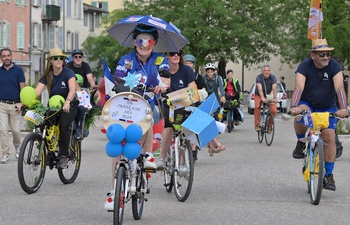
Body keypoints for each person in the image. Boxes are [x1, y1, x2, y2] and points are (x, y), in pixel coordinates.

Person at [104, 24, 170, 211]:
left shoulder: (160, 60)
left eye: (149, 41)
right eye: (140, 41)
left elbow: (165, 79)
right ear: (135, 42)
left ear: (154, 43)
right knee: (118, 146)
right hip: (127, 105)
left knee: (146, 114)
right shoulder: (126, 60)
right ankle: (113, 190)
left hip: (150, 104)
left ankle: (148, 155)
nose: (145, 44)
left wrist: (161, 86)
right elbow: (118, 79)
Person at [290, 39, 347, 191]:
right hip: (308, 103)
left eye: (328, 54)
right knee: (301, 115)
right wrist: (295, 106)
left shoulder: (334, 66)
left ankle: (328, 174)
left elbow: (340, 88)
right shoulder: (304, 66)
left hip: (328, 106)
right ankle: (301, 142)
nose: (326, 57)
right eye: (322, 54)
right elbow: (298, 87)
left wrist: (343, 108)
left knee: (329, 136)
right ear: (313, 54)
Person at [35, 47, 78, 169]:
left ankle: (64, 155)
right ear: (51, 61)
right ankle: (49, 151)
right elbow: (37, 91)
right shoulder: (47, 76)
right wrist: (24, 103)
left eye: (61, 58)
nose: (58, 60)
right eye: (55, 58)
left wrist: (67, 102)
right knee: (43, 123)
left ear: (64, 60)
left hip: (69, 105)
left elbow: (72, 89)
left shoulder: (68, 72)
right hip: (54, 107)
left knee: (64, 126)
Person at [156, 50, 197, 168]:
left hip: (184, 104)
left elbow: (192, 88)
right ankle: (162, 158)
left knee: (191, 124)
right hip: (167, 106)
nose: (176, 55)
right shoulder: (161, 71)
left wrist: (183, 98)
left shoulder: (186, 70)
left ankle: (180, 158)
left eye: (179, 53)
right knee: (169, 125)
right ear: (166, 55)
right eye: (173, 53)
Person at [0, 48, 25, 164]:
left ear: (11, 56)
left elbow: (23, 89)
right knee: (3, 130)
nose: (6, 58)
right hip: (2, 105)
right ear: (1, 58)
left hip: (15, 105)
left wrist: (22, 103)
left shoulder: (18, 71)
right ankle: (5, 154)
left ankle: (18, 147)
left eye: (8, 56)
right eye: (4, 56)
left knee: (15, 130)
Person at [183, 54, 206, 161]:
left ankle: (193, 149)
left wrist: (198, 93)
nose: (188, 65)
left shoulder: (198, 77)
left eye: (190, 63)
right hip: (181, 104)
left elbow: (203, 90)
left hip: (195, 105)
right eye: (186, 63)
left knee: (194, 127)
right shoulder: (180, 75)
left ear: (193, 65)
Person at [203, 63, 227, 156]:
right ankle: (212, 146)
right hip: (205, 102)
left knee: (215, 121)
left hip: (214, 102)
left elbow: (221, 87)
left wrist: (223, 96)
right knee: (208, 123)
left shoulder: (218, 78)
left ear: (214, 72)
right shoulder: (204, 79)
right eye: (208, 72)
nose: (209, 74)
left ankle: (211, 146)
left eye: (211, 72)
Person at [254, 65, 278, 131]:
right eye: (265, 70)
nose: (267, 72)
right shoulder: (259, 78)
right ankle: (257, 125)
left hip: (269, 95)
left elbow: (274, 88)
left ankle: (269, 125)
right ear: (262, 72)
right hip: (259, 95)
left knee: (274, 111)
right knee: (257, 106)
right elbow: (259, 88)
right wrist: (262, 98)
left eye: (268, 70)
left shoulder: (273, 77)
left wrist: (275, 97)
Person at [73, 74, 92, 139]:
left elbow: (87, 103)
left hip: (80, 109)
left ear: (78, 83)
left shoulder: (83, 93)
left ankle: (79, 127)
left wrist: (87, 107)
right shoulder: (70, 92)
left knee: (81, 108)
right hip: (72, 109)